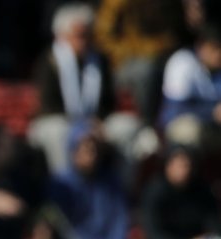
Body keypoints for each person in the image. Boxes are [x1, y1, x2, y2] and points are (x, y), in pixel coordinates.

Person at [28, 3, 146, 176]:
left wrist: (95, 124)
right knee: (58, 132)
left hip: (95, 122)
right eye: (79, 35)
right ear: (62, 36)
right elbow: (48, 105)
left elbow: (108, 102)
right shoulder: (48, 61)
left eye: (88, 35)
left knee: (127, 127)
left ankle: (120, 190)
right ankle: (64, 190)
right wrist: (79, 127)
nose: (84, 41)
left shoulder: (100, 60)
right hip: (58, 121)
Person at [159, 23, 221, 151]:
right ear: (201, 46)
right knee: (191, 130)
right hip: (177, 127)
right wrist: (211, 112)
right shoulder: (182, 62)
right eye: (215, 48)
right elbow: (174, 110)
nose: (219, 54)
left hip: (212, 128)